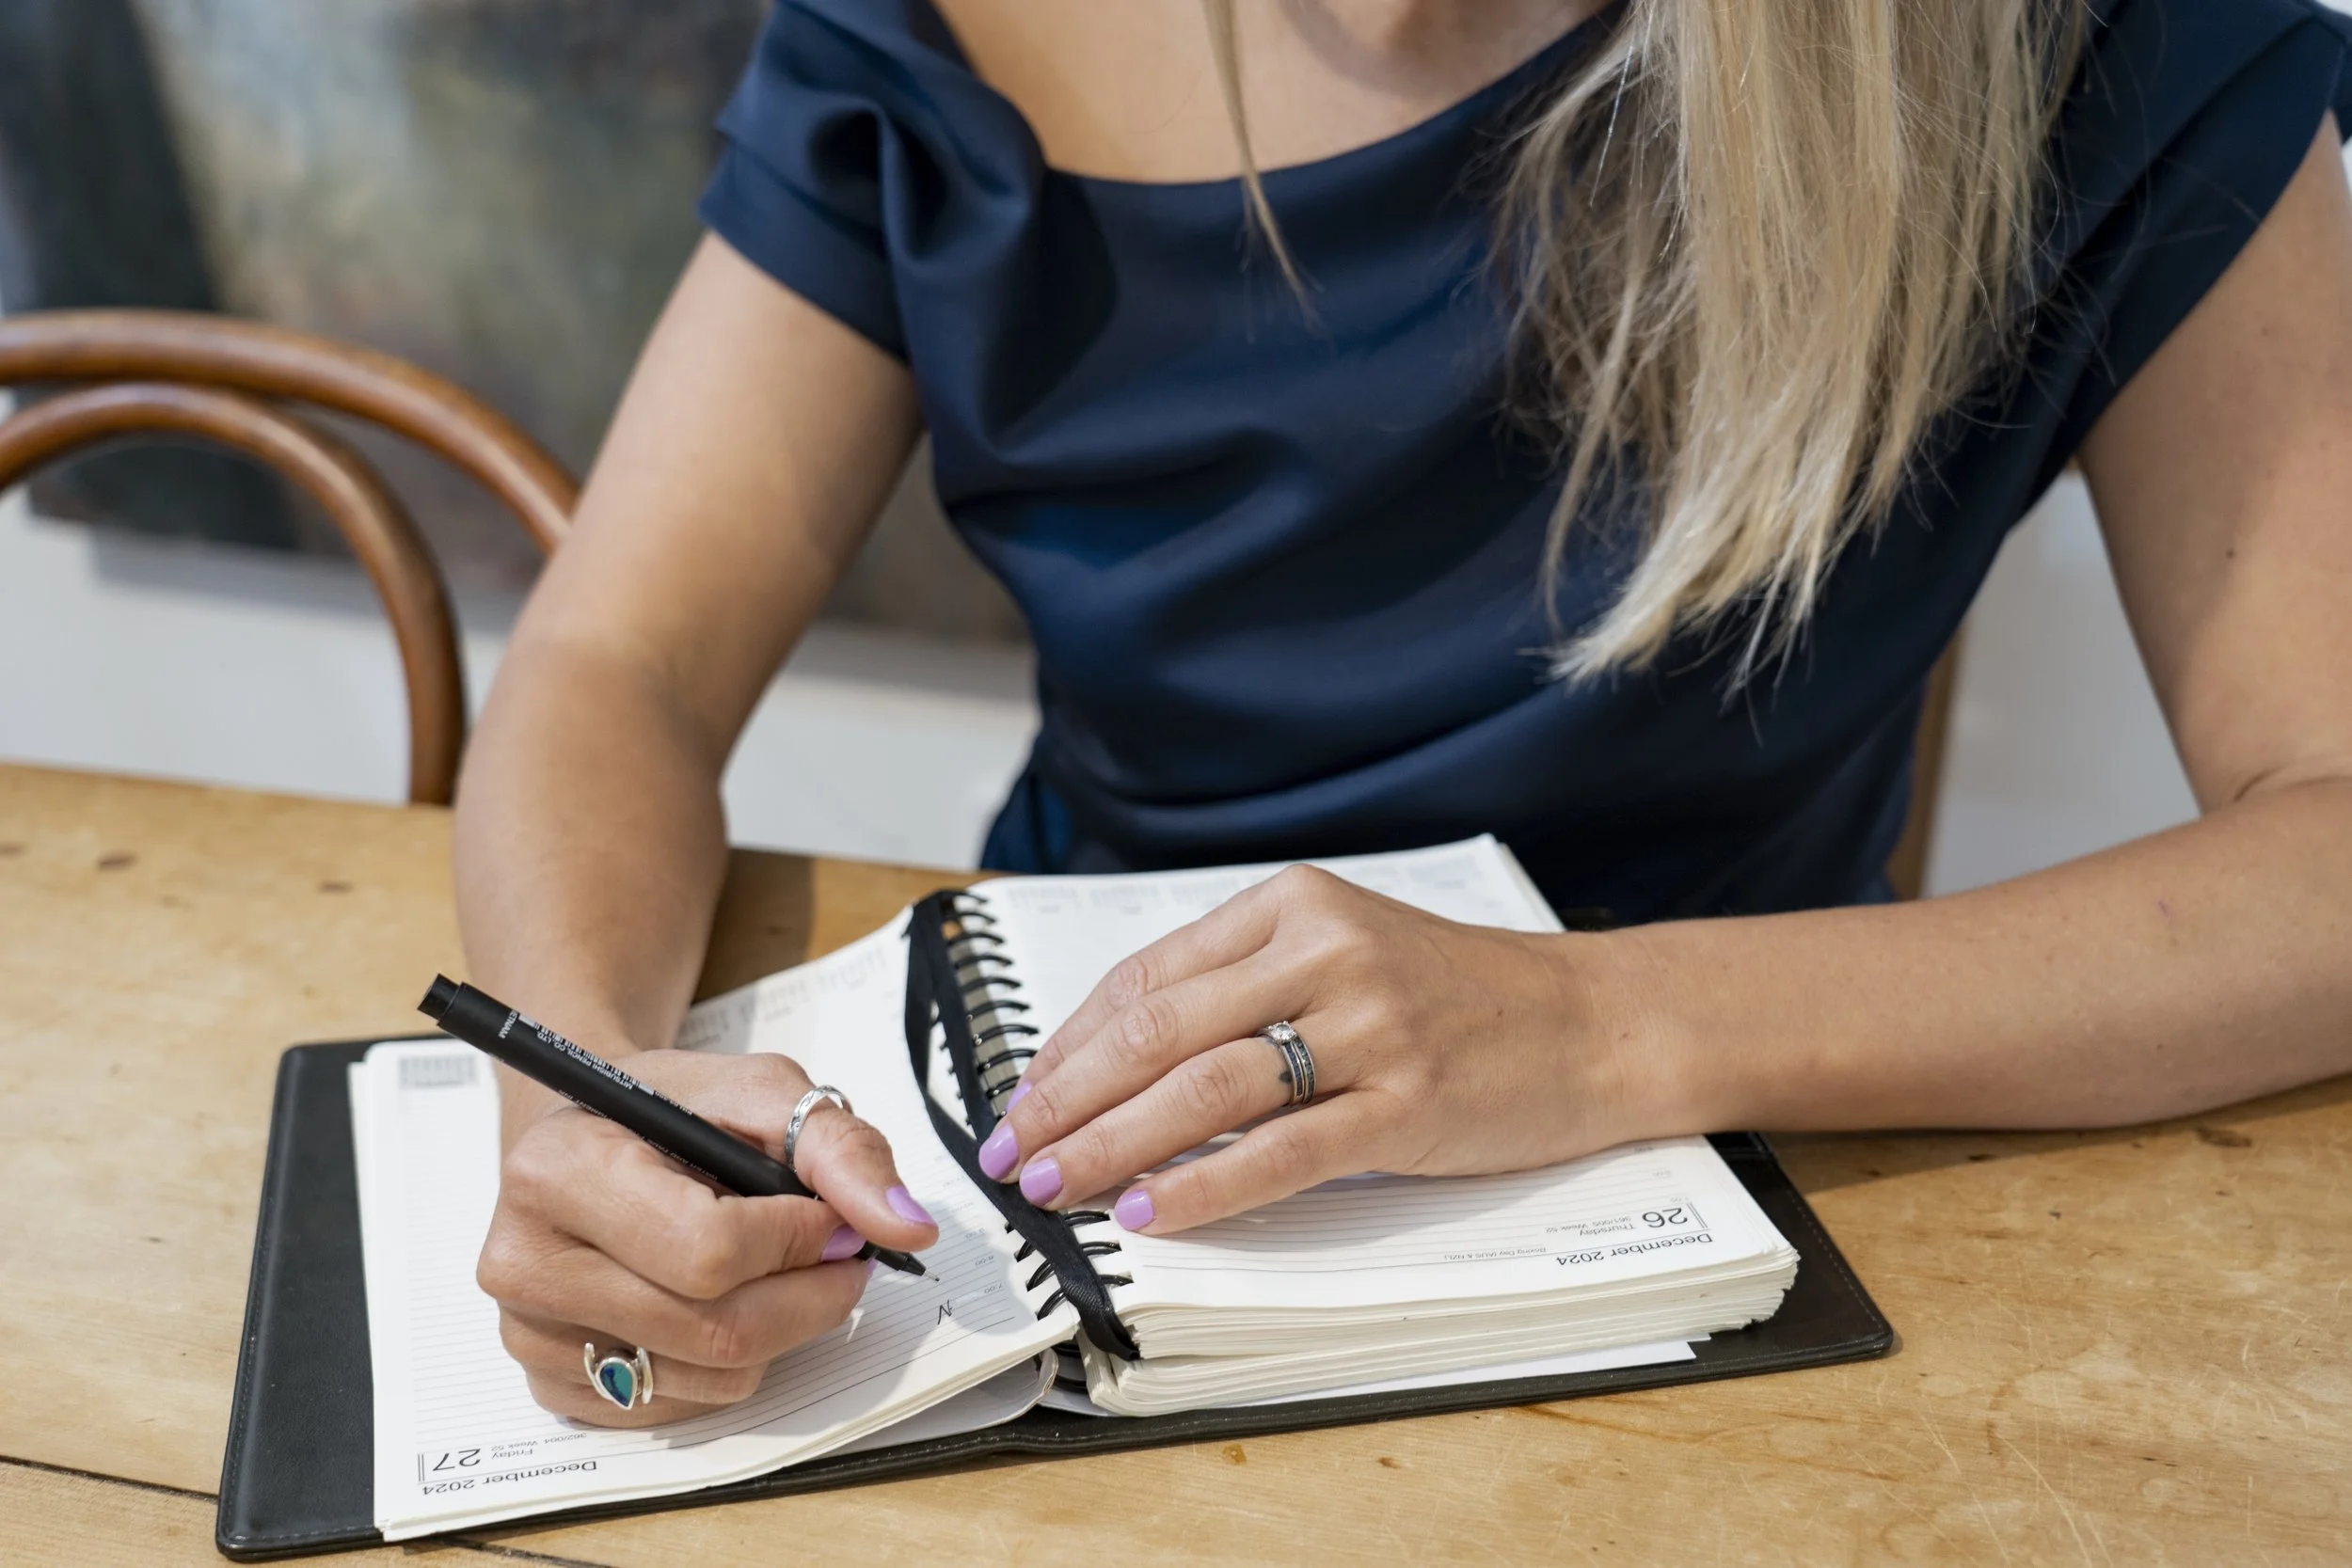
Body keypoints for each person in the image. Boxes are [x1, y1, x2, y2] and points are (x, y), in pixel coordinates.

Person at [453, 0, 2352, 1424]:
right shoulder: (929, 29)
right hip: (1044, 1171)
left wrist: (1603, 1024)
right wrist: (583, 1082)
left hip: (1756, 1178)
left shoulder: (2078, 40)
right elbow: (618, 655)